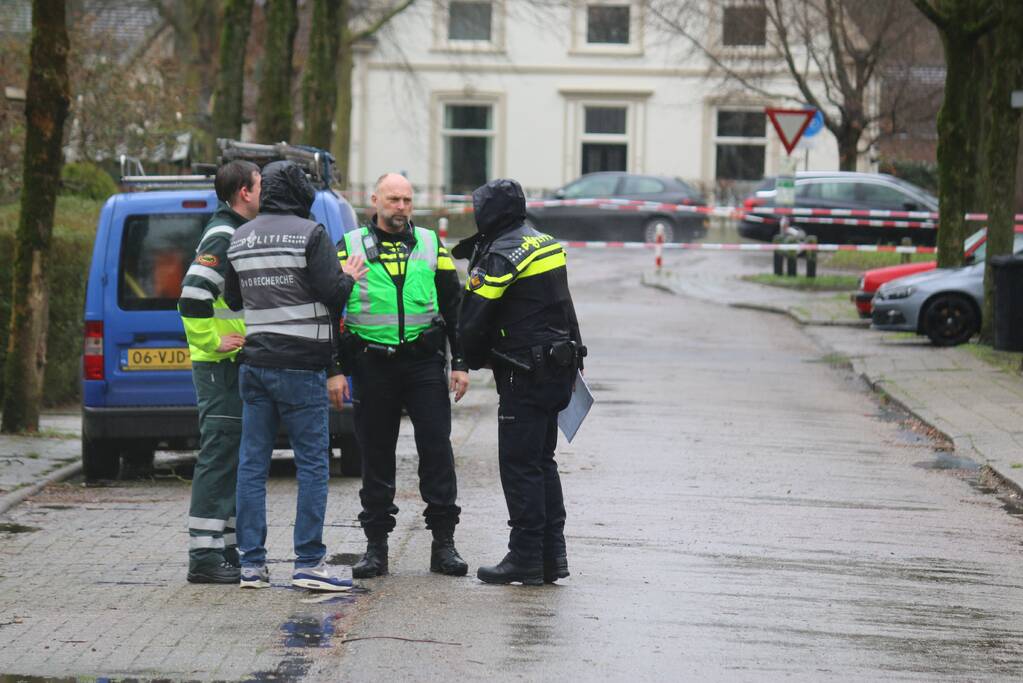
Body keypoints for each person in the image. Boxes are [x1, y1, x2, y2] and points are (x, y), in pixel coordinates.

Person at [223, 160, 368, 591]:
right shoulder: (310, 234)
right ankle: (308, 562)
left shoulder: (240, 236)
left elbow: (233, 299)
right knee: (312, 464)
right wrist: (348, 276)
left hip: (255, 365)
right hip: (301, 366)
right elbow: (334, 294)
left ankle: (251, 565)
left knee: (252, 465)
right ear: (300, 191)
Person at [337, 172, 470, 579]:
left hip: (423, 363)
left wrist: (461, 363)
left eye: (407, 200)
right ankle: (376, 547)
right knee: (376, 455)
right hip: (372, 364)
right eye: (393, 199)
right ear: (374, 200)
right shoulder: (349, 245)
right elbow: (330, 306)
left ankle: (443, 545)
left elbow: (454, 305)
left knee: (437, 451)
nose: (401, 207)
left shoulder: (430, 243)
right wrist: (336, 369)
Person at [454, 178, 585, 586]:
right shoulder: (545, 243)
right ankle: (551, 556)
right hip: (558, 368)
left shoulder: (500, 255)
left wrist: (472, 359)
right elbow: (565, 305)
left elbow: (472, 320)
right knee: (543, 463)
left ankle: (525, 557)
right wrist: (577, 356)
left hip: (523, 372)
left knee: (520, 466)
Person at [178, 159, 260, 584]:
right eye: (260, 186)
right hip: (219, 367)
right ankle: (204, 557)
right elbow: (192, 295)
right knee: (219, 454)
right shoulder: (224, 235)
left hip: (229, 366)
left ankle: (224, 548)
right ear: (244, 192)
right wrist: (213, 342)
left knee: (229, 456)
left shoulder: (233, 232)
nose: (264, 193)